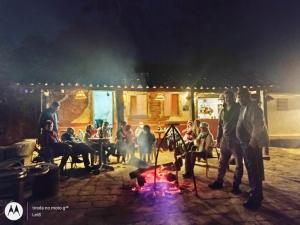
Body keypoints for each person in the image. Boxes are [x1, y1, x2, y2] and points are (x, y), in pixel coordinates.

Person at [236, 87, 269, 210]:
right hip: (244, 143)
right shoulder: (243, 107)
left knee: (254, 171)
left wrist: (251, 143)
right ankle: (255, 193)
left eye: (241, 97)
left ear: (247, 96)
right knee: (250, 169)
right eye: (238, 97)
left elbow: (258, 127)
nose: (239, 99)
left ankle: (255, 198)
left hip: (252, 145)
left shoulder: (255, 108)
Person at [208, 90, 244, 194]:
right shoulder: (222, 110)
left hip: (236, 140)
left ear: (234, 98)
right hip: (225, 139)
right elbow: (220, 125)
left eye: (230, 97)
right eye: (226, 97)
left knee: (239, 164)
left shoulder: (239, 108)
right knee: (222, 163)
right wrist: (218, 138)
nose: (228, 99)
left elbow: (245, 122)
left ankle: (236, 186)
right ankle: (219, 181)